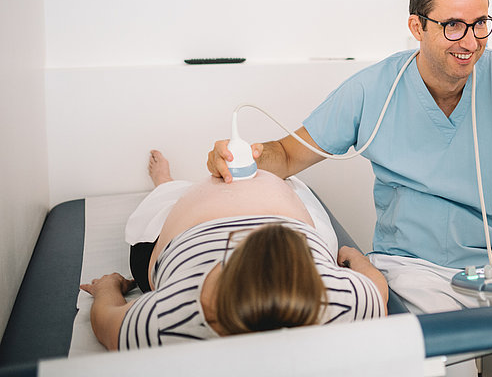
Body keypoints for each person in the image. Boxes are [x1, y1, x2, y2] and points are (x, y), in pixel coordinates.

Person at [208, 0, 492, 376]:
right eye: (453, 25)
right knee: (448, 369)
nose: (470, 41)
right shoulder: (373, 90)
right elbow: (286, 154)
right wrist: (239, 154)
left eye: (480, 23)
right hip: (417, 271)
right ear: (417, 26)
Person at [80, 150, 387, 351]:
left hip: (184, 230)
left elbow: (107, 322)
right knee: (296, 187)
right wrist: (357, 260)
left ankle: (166, 185)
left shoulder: (166, 319)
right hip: (292, 219)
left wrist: (108, 288)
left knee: (161, 205)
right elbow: (377, 288)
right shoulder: (341, 301)